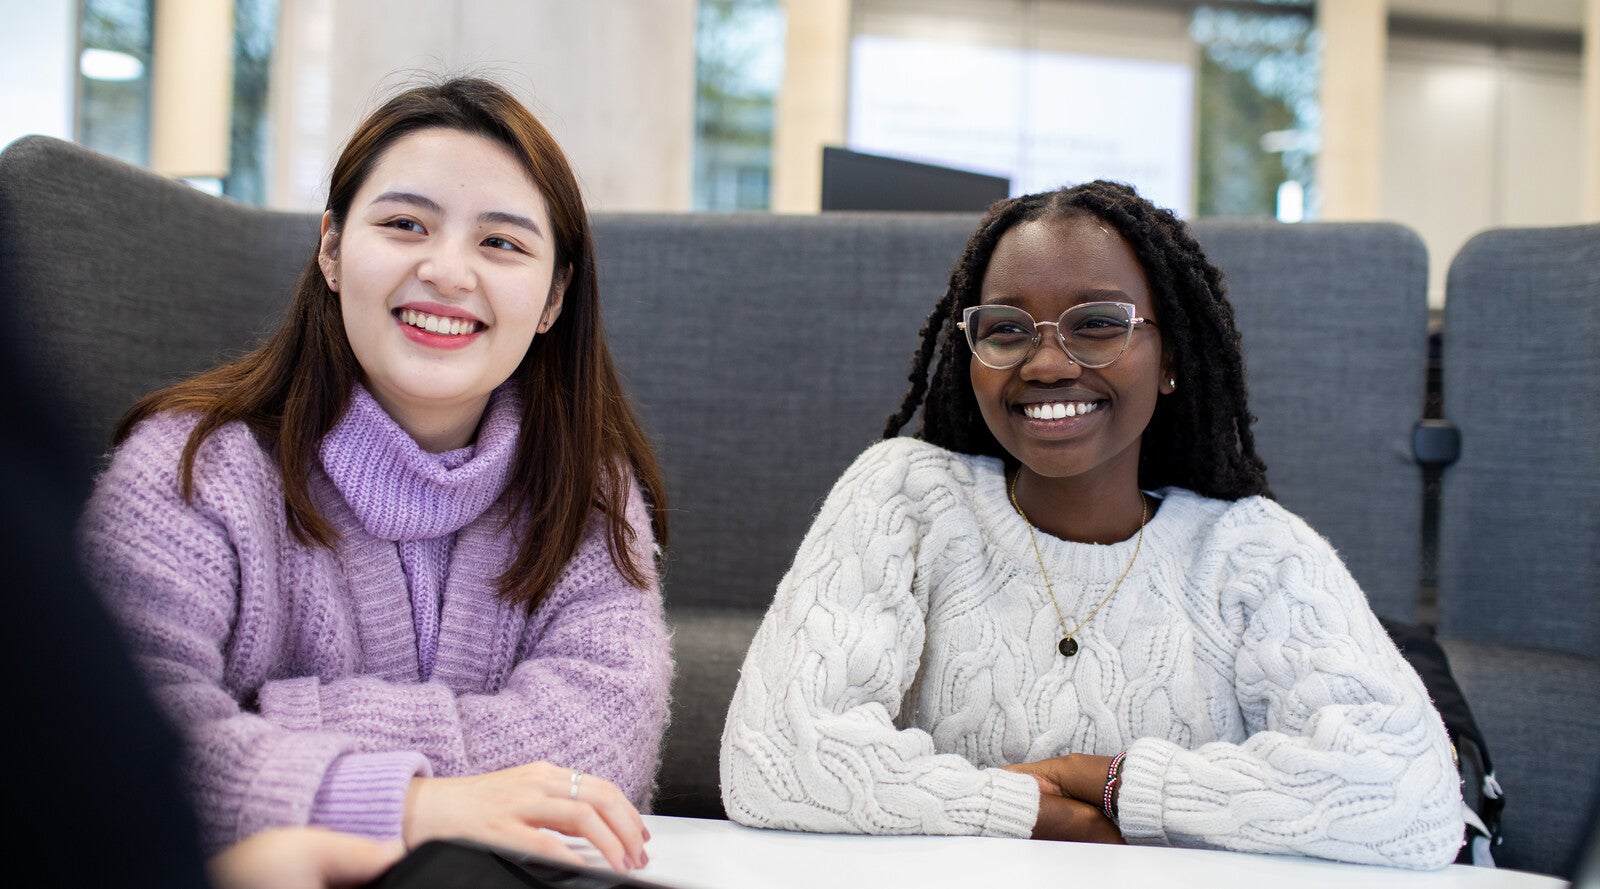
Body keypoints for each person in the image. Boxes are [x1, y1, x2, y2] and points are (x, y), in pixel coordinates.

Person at [718, 181, 1464, 869]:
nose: (1046, 363)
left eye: (1099, 324)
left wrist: (1109, 783)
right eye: (1007, 329)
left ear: (1169, 354)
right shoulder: (906, 500)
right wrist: (1044, 816)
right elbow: (774, 759)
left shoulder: (1253, 552)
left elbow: (1416, 799)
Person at [78, 76, 671, 874]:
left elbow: (603, 743)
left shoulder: (585, 489)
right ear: (331, 249)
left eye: (501, 243)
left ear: (554, 295)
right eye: (404, 223)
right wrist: (410, 802)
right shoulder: (188, 469)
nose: (449, 272)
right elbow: (114, 742)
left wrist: (279, 715)